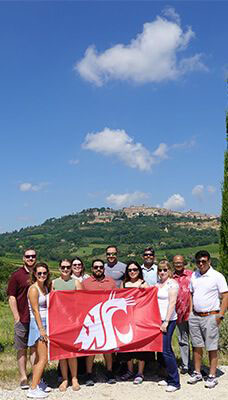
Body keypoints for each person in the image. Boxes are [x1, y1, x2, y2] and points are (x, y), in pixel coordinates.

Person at [187, 250, 228, 388]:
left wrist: (220, 315)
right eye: (198, 261)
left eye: (203, 261)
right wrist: (191, 312)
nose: (201, 263)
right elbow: (191, 294)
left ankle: (212, 375)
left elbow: (225, 296)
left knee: (212, 347)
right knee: (197, 346)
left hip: (211, 315)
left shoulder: (217, 276)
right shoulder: (194, 275)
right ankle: (197, 372)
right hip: (196, 316)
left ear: (209, 261)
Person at [82, 259, 117, 386]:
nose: (98, 269)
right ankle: (89, 374)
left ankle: (109, 372)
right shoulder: (85, 283)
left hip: (107, 319)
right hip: (92, 319)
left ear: (104, 269)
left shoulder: (111, 282)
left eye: (101, 267)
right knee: (91, 348)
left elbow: (116, 298)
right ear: (92, 268)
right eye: (96, 267)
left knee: (108, 348)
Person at [7, 248, 37, 389]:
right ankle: (24, 377)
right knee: (21, 348)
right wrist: (16, 317)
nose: (31, 258)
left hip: (37, 318)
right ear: (23, 258)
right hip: (23, 317)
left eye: (33, 256)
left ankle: (37, 375)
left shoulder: (40, 273)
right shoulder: (17, 275)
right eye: (28, 256)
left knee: (35, 348)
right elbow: (11, 296)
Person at [52, 259, 82, 392]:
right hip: (58, 322)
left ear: (71, 268)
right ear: (59, 268)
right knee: (62, 353)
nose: (65, 269)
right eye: (63, 267)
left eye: (68, 267)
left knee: (73, 352)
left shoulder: (76, 282)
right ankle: (65, 379)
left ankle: (74, 378)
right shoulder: (53, 283)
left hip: (73, 322)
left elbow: (83, 302)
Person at [120, 261, 149, 384]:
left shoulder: (144, 283)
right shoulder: (123, 284)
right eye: (130, 270)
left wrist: (145, 289)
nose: (132, 272)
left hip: (140, 318)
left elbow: (149, 298)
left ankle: (140, 372)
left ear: (139, 271)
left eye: (135, 269)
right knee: (128, 345)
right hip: (127, 318)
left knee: (141, 346)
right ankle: (130, 370)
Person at [27, 263, 51, 399]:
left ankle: (37, 383)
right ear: (35, 274)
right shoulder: (34, 289)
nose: (42, 275)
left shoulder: (45, 287)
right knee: (42, 358)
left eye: (44, 273)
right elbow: (35, 310)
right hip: (38, 325)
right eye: (39, 273)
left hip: (45, 323)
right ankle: (33, 388)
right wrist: (41, 329)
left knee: (39, 358)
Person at [156, 259, 180, 392]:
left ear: (170, 270)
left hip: (168, 321)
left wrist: (166, 321)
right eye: (160, 269)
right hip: (158, 320)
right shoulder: (158, 284)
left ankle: (175, 382)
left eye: (165, 269)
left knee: (166, 351)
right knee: (164, 350)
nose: (162, 272)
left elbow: (172, 303)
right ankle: (169, 377)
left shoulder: (172, 284)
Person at [173, 255, 192, 374]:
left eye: (180, 262)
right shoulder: (171, 277)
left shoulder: (191, 275)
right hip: (178, 313)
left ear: (184, 262)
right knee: (183, 340)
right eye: (176, 263)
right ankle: (185, 364)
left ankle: (196, 365)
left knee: (196, 340)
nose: (178, 264)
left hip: (192, 312)